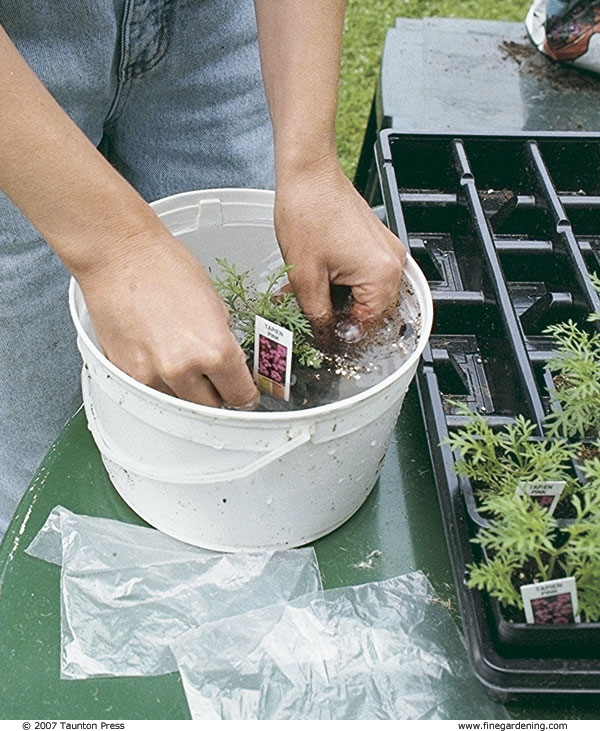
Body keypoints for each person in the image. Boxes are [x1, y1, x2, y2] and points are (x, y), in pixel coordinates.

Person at [0, 0, 406, 539]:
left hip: (217, 20)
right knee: (33, 440)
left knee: (209, 353)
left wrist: (310, 166)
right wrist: (115, 250)